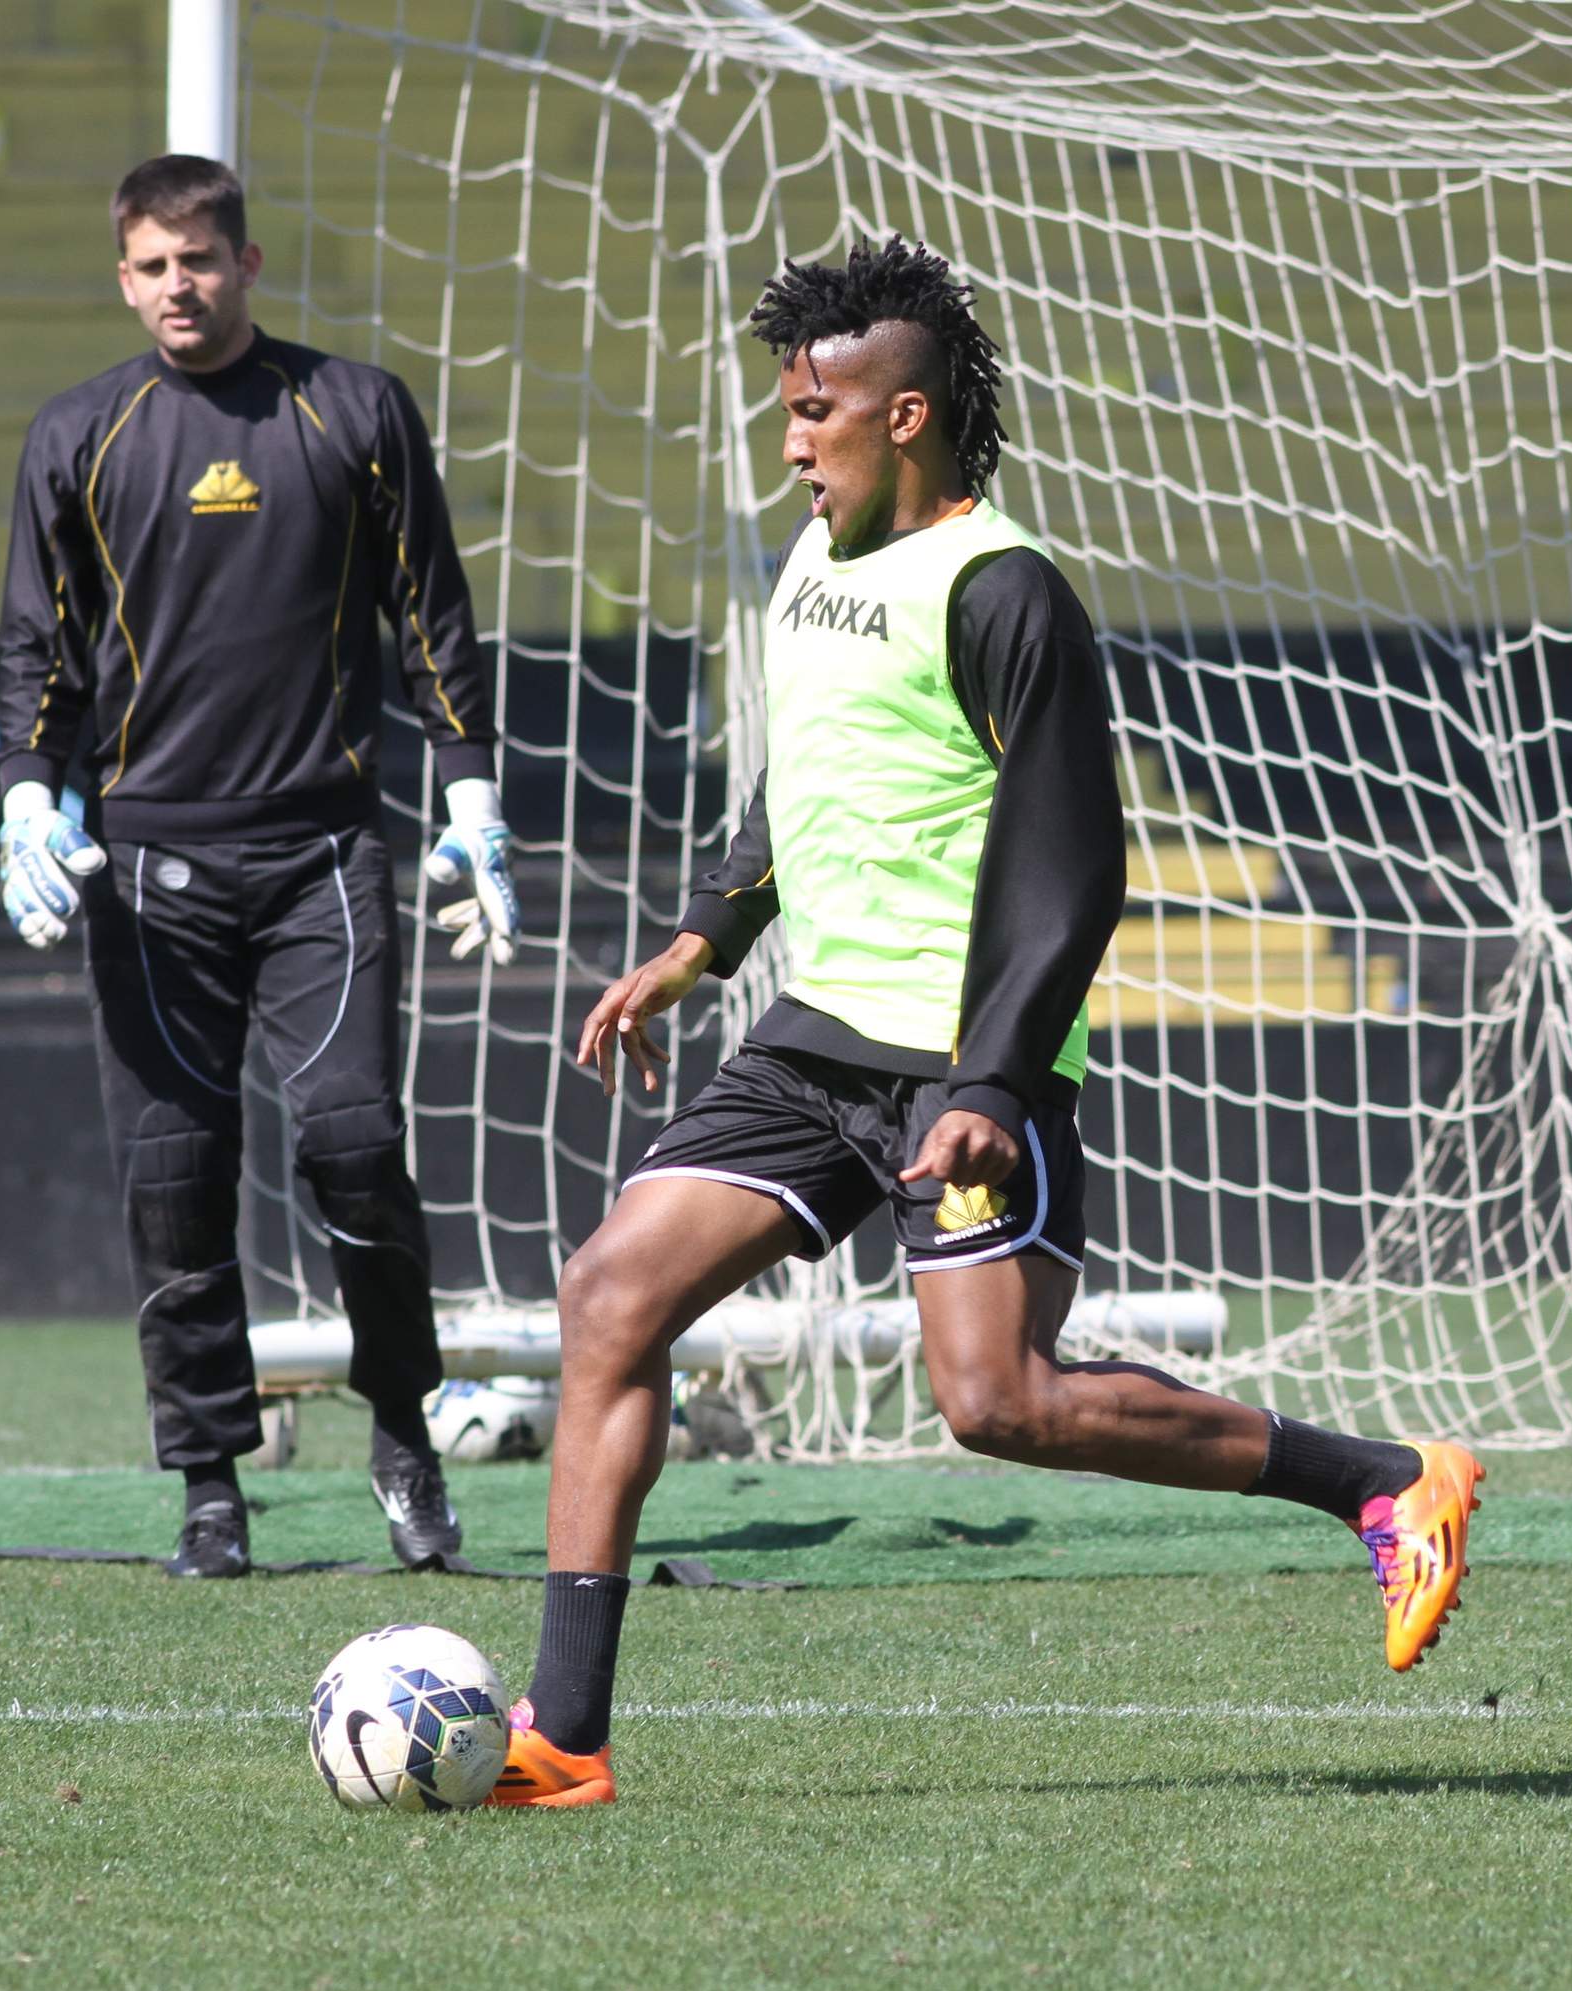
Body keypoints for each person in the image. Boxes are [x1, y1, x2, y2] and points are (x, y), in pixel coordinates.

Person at [490, 238, 1483, 1806]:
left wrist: (997, 1082)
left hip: (961, 1068)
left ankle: (1383, 1480)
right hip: (811, 1043)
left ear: (906, 415)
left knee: (1000, 1403)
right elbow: (804, 773)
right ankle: (563, 1734)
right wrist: (701, 938)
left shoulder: (1004, 590)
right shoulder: (816, 558)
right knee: (611, 1295)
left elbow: (1075, 867)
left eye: (813, 410)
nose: (790, 441)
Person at [0, 155, 520, 1579]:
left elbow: (432, 617)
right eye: (154, 266)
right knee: (175, 1179)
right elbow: (38, 648)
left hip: (322, 861)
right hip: (150, 874)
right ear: (124, 278)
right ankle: (210, 1489)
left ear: (248, 264)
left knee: (354, 1146)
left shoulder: (352, 410)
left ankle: (403, 1434)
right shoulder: (78, 433)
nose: (181, 286)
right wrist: (27, 798)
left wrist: (470, 791)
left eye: (202, 260)